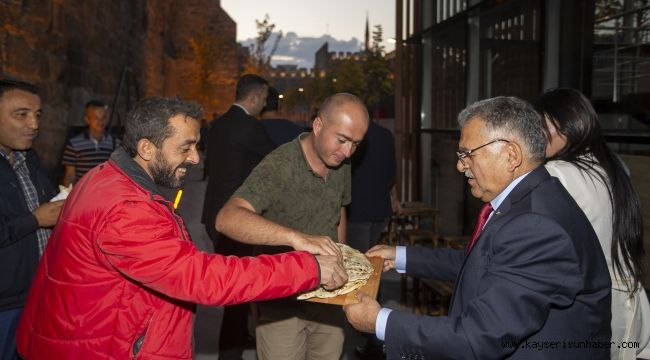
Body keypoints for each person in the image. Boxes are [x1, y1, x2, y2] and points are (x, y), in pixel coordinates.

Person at [16, 96, 348, 360]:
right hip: (101, 347)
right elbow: (199, 277)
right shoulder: (125, 208)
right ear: (146, 148)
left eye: (197, 146)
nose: (196, 159)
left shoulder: (112, 177)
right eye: (185, 147)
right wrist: (308, 267)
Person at [343, 96, 612, 359]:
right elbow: (479, 262)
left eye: (467, 154)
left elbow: (480, 336)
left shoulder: (535, 225)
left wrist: (380, 321)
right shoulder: (527, 199)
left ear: (511, 155)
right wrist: (401, 255)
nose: (460, 166)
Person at [216, 93, 370, 360]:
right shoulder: (279, 165)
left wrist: (341, 257)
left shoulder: (341, 162)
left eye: (355, 144)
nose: (347, 152)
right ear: (318, 126)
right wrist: (296, 238)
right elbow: (226, 218)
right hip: (282, 304)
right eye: (342, 140)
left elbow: (339, 210)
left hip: (327, 302)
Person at [535, 88, 649, 360]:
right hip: (631, 300)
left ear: (578, 125)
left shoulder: (557, 174)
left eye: (545, 126)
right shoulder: (614, 166)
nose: (538, 135)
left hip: (596, 307)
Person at [201, 74, 276, 359]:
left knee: (234, 285)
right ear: (254, 97)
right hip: (235, 220)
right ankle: (229, 352)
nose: (266, 104)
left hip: (213, 215)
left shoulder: (219, 123)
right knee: (238, 291)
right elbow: (276, 159)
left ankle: (238, 336)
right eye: (265, 98)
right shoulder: (250, 127)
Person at [0, 79, 64, 360]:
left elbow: (47, 204)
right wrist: (35, 219)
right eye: (21, 114)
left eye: (37, 115)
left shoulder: (29, 159)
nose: (34, 125)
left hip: (38, 294)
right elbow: (34, 218)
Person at [347, 120, 400, 253]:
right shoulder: (386, 134)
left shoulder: (351, 134)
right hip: (380, 208)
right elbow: (391, 173)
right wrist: (395, 198)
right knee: (370, 255)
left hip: (356, 209)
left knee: (359, 261)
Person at [61, 100, 120, 185]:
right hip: (83, 194)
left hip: (107, 193)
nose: (100, 121)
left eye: (103, 117)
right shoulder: (74, 144)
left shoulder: (116, 144)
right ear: (87, 119)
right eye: (96, 118)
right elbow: (70, 176)